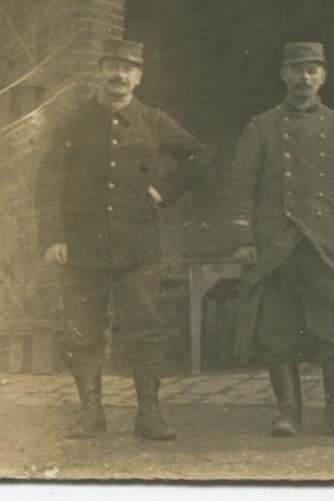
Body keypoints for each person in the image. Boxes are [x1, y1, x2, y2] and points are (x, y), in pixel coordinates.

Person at [38, 39, 213, 441]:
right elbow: (48, 181)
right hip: (82, 247)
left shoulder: (153, 120)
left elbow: (199, 159)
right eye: (112, 66)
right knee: (83, 329)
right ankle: (90, 414)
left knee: (145, 331)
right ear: (99, 71)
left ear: (139, 76)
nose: (119, 74)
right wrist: (52, 236)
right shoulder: (73, 121)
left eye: (128, 68)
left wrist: (160, 192)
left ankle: (149, 416)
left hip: (138, 247)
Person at [228, 42, 334, 439]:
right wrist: (243, 237)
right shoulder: (261, 126)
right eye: (297, 69)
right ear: (284, 75)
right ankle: (288, 413)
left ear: (323, 77)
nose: (304, 77)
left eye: (312, 70)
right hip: (276, 241)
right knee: (277, 331)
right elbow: (242, 184)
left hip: (324, 241)